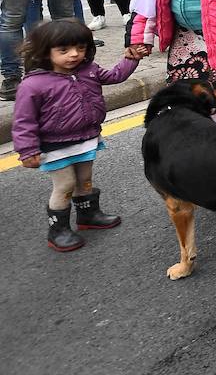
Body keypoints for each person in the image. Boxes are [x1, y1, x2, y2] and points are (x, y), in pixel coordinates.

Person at [13, 20, 140, 251]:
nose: (74, 55)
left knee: (85, 180)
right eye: (64, 50)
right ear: (45, 52)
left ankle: (88, 216)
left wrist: (131, 59)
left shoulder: (88, 70)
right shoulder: (33, 85)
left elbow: (114, 76)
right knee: (66, 185)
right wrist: (27, 150)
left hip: (86, 138)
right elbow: (23, 121)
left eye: (80, 48)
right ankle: (58, 230)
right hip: (54, 145)